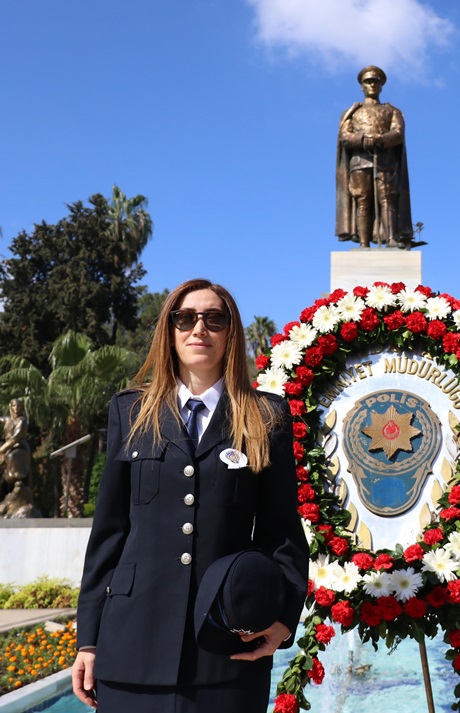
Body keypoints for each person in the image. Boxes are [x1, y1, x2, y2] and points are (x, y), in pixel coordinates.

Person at [71, 279, 309, 713]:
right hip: (132, 647)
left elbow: (282, 532)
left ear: (230, 334)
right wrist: (88, 638)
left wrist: (283, 618)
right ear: (170, 329)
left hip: (228, 648)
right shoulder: (131, 411)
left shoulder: (265, 416)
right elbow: (108, 532)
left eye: (214, 318)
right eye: (186, 318)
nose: (199, 328)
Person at [335, 65, 413, 249]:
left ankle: (391, 239)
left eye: (375, 82)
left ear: (381, 86)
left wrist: (379, 139)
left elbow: (398, 133)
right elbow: (345, 137)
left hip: (385, 161)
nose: (371, 85)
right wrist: (363, 140)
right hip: (359, 162)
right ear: (361, 86)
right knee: (362, 199)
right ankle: (364, 243)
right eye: (368, 82)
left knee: (387, 198)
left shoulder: (392, 111)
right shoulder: (352, 112)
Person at [0, 398, 31, 488]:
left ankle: (14, 479)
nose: (16, 408)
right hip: (6, 446)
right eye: (14, 406)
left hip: (19, 446)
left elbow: (15, 438)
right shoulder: (8, 420)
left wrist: (1, 450)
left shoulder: (22, 421)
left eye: (19, 406)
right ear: (10, 407)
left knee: (11, 456)